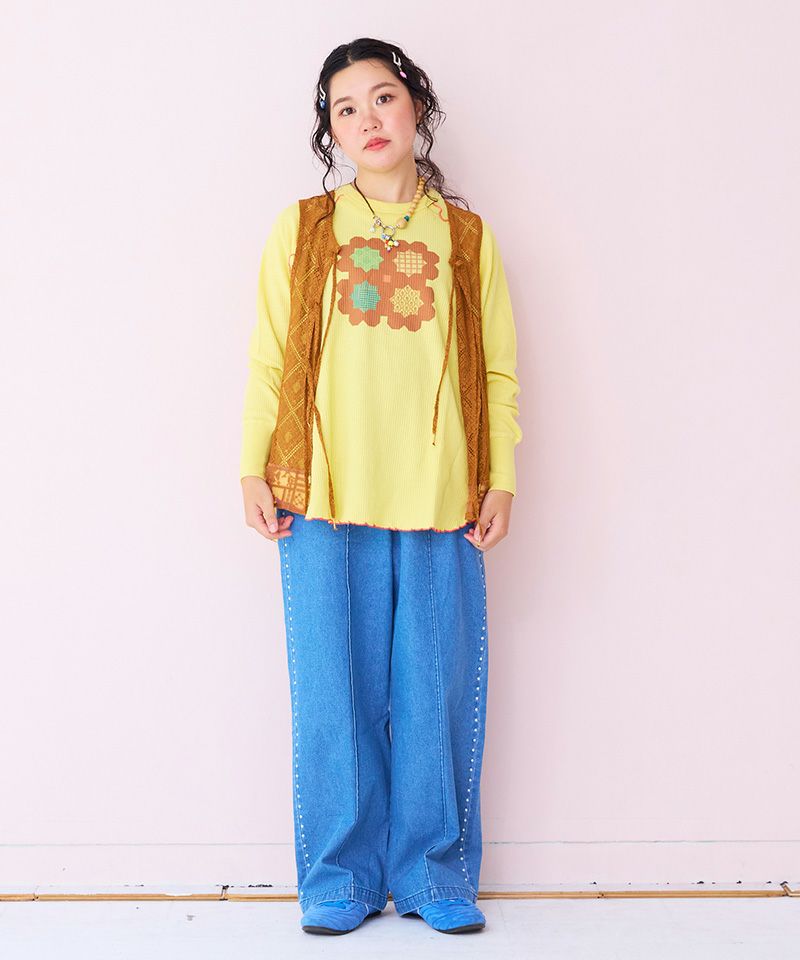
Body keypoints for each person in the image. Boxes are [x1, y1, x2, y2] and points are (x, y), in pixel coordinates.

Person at [240, 38, 522, 936]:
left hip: (441, 500)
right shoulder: (304, 230)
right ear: (330, 131)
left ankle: (435, 875)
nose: (368, 118)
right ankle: (340, 878)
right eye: (345, 107)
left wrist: (501, 479)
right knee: (335, 695)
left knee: (433, 692)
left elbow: (498, 371)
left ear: (417, 108)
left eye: (384, 97)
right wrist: (252, 465)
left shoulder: (466, 239)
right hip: (320, 498)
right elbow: (270, 358)